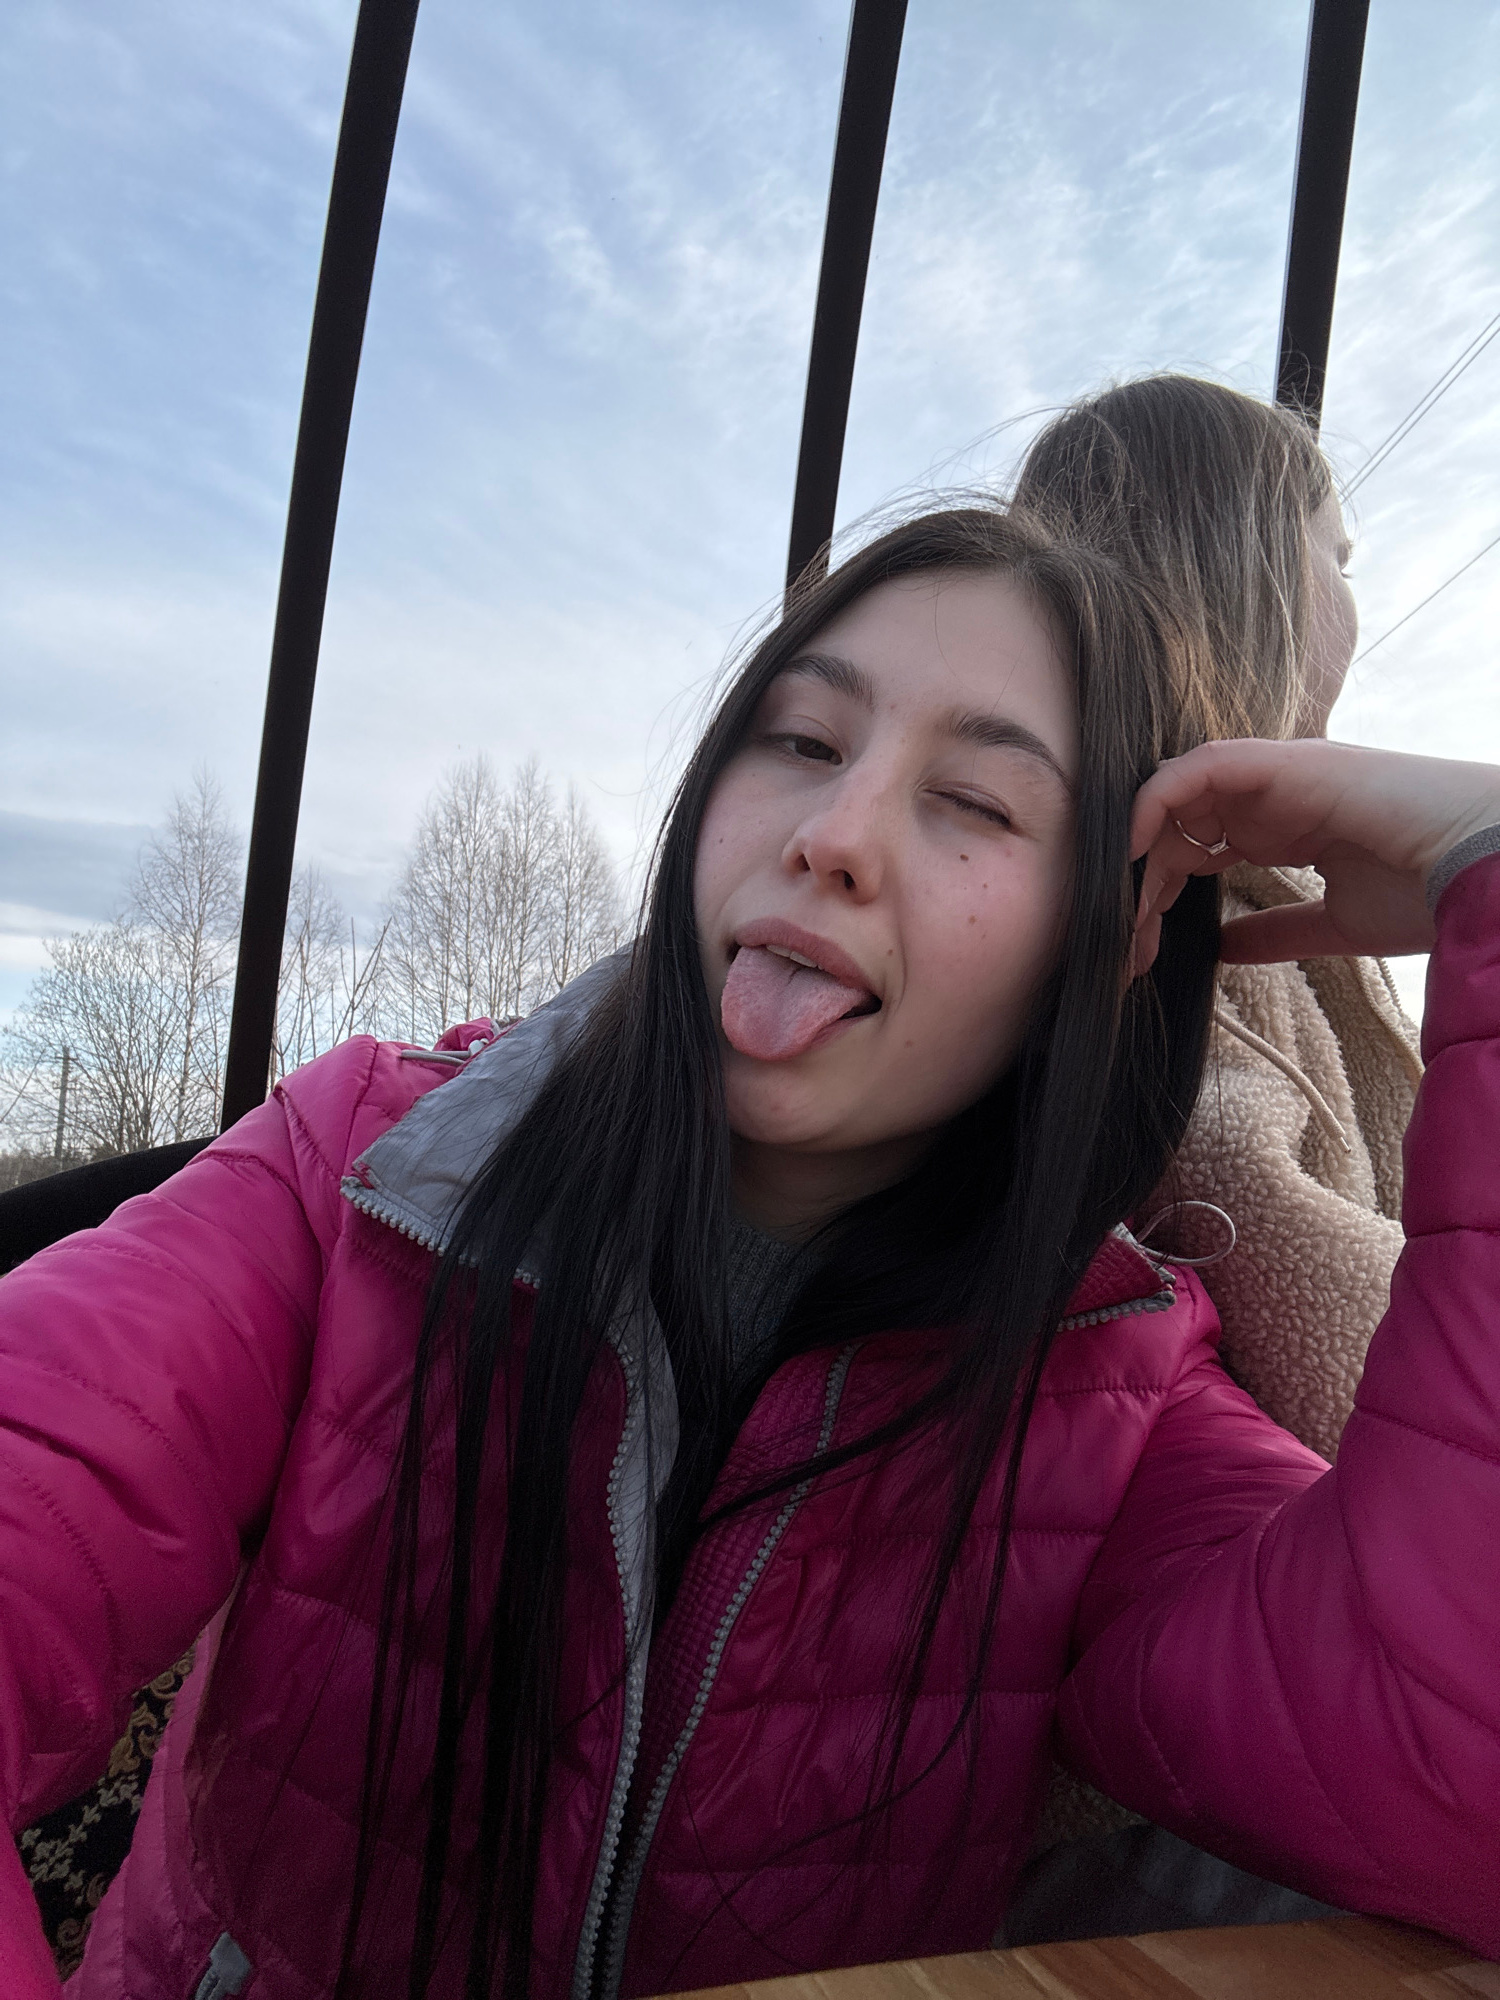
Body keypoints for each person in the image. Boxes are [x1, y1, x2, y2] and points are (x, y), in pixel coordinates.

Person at [1, 503, 1498, 2000]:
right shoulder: (364, 1175)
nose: (831, 836)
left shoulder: (1117, 1403)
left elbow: (1447, 1777)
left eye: (976, 801)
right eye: (800, 741)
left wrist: (1485, 865)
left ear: (1111, 938)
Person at [1016, 375, 1420, 1464]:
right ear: (1246, 575)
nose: (1355, 599)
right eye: (1338, 559)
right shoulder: (1168, 919)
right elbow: (1352, 1349)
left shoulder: (1270, 884)